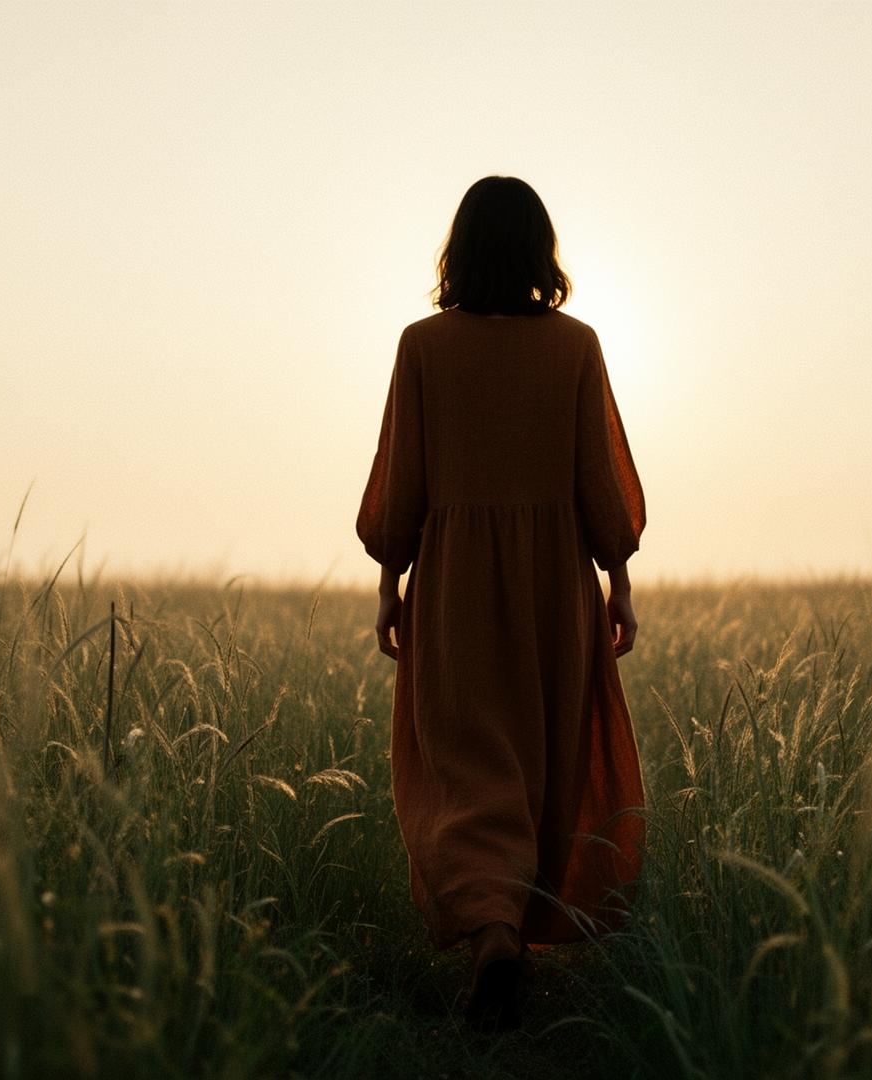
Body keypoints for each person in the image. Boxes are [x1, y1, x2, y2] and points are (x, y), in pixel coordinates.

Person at [355, 175, 647, 1031]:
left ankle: (490, 928)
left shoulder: (421, 348)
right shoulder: (577, 347)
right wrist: (618, 579)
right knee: (538, 754)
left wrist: (390, 584)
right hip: (555, 583)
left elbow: (401, 479)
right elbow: (599, 478)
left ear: (461, 250)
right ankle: (511, 926)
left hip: (452, 587)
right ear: (538, 252)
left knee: (462, 764)